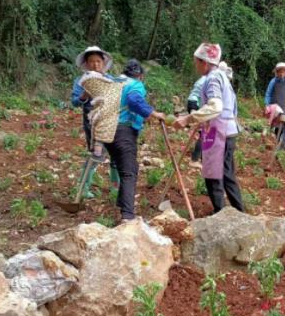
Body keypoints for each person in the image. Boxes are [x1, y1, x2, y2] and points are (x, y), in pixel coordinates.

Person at [173, 43, 245, 213]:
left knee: (214, 174)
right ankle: (237, 212)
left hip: (219, 132)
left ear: (204, 62)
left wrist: (188, 118)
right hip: (226, 130)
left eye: (196, 62)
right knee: (226, 174)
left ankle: (221, 213)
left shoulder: (212, 78)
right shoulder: (221, 77)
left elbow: (215, 106)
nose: (195, 66)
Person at [105, 59, 166, 221]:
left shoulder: (115, 82)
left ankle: (121, 203)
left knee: (126, 167)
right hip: (123, 131)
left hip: (106, 130)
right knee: (129, 172)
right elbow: (134, 100)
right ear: (140, 76)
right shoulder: (135, 84)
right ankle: (127, 216)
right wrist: (153, 113)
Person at [71, 46, 119, 198]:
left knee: (116, 153)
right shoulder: (81, 81)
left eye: (98, 61)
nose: (95, 65)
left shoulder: (110, 80)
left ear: (103, 63)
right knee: (96, 153)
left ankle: (115, 187)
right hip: (93, 123)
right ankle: (84, 188)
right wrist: (84, 95)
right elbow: (74, 102)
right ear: (86, 63)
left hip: (112, 121)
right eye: (91, 61)